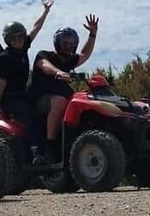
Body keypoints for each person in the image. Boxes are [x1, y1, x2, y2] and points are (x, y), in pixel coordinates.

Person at [0, 0, 53, 160]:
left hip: (24, 93)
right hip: (10, 98)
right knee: (29, 114)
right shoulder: (5, 57)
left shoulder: (23, 48)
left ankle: (51, 146)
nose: (17, 41)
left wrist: (45, 11)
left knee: (44, 108)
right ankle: (35, 151)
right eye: (13, 39)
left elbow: (36, 27)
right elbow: (2, 82)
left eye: (20, 37)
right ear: (8, 40)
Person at [31, 14, 99, 162]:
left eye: (72, 43)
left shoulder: (69, 60)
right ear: (57, 43)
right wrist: (59, 72)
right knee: (60, 101)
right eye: (65, 42)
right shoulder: (44, 55)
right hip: (40, 100)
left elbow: (84, 54)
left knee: (85, 100)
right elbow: (45, 66)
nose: (69, 46)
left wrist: (92, 34)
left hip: (62, 97)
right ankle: (50, 146)